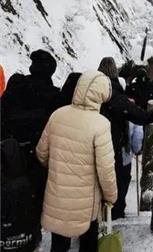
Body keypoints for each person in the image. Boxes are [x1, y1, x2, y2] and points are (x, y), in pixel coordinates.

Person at [36, 70, 117, 252]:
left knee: (59, 244)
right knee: (88, 244)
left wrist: (58, 167)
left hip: (57, 197)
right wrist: (111, 197)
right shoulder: (101, 124)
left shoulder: (57, 115)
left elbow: (41, 153)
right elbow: (106, 170)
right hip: (87, 204)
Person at [1, 50, 60, 248]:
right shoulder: (54, 96)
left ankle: (15, 233)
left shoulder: (15, 89)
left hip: (12, 155)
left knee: (15, 197)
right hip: (40, 156)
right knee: (37, 196)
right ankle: (32, 234)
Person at [98, 57, 153, 219]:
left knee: (97, 182)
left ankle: (98, 215)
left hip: (92, 148)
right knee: (120, 180)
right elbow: (139, 117)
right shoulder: (116, 96)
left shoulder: (91, 93)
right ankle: (116, 213)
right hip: (115, 147)